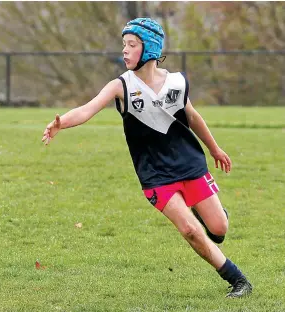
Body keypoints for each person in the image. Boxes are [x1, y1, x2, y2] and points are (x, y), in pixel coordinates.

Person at [42, 17, 252, 298]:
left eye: (132, 45)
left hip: (189, 164)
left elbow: (192, 117)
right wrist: (61, 123)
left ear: (150, 48)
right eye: (123, 45)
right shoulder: (121, 86)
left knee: (219, 227)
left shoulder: (176, 82)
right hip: (154, 174)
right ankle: (238, 280)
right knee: (190, 230)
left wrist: (215, 149)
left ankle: (211, 218)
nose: (125, 51)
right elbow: (88, 108)